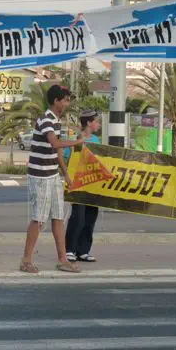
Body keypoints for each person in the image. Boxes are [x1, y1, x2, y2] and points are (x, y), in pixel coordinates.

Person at [21, 85, 84, 274]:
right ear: (56, 101)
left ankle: (62, 260)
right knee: (38, 219)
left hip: (52, 175)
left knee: (58, 217)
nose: (67, 103)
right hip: (40, 176)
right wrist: (76, 142)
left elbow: (57, 153)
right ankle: (26, 261)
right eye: (65, 100)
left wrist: (65, 175)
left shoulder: (56, 121)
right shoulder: (46, 119)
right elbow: (56, 144)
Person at [65, 109, 101, 263]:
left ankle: (83, 251)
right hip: (79, 185)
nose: (98, 124)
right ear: (89, 123)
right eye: (96, 121)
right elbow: (67, 159)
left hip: (93, 185)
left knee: (90, 217)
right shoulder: (75, 139)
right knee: (77, 218)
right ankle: (70, 250)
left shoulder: (97, 140)